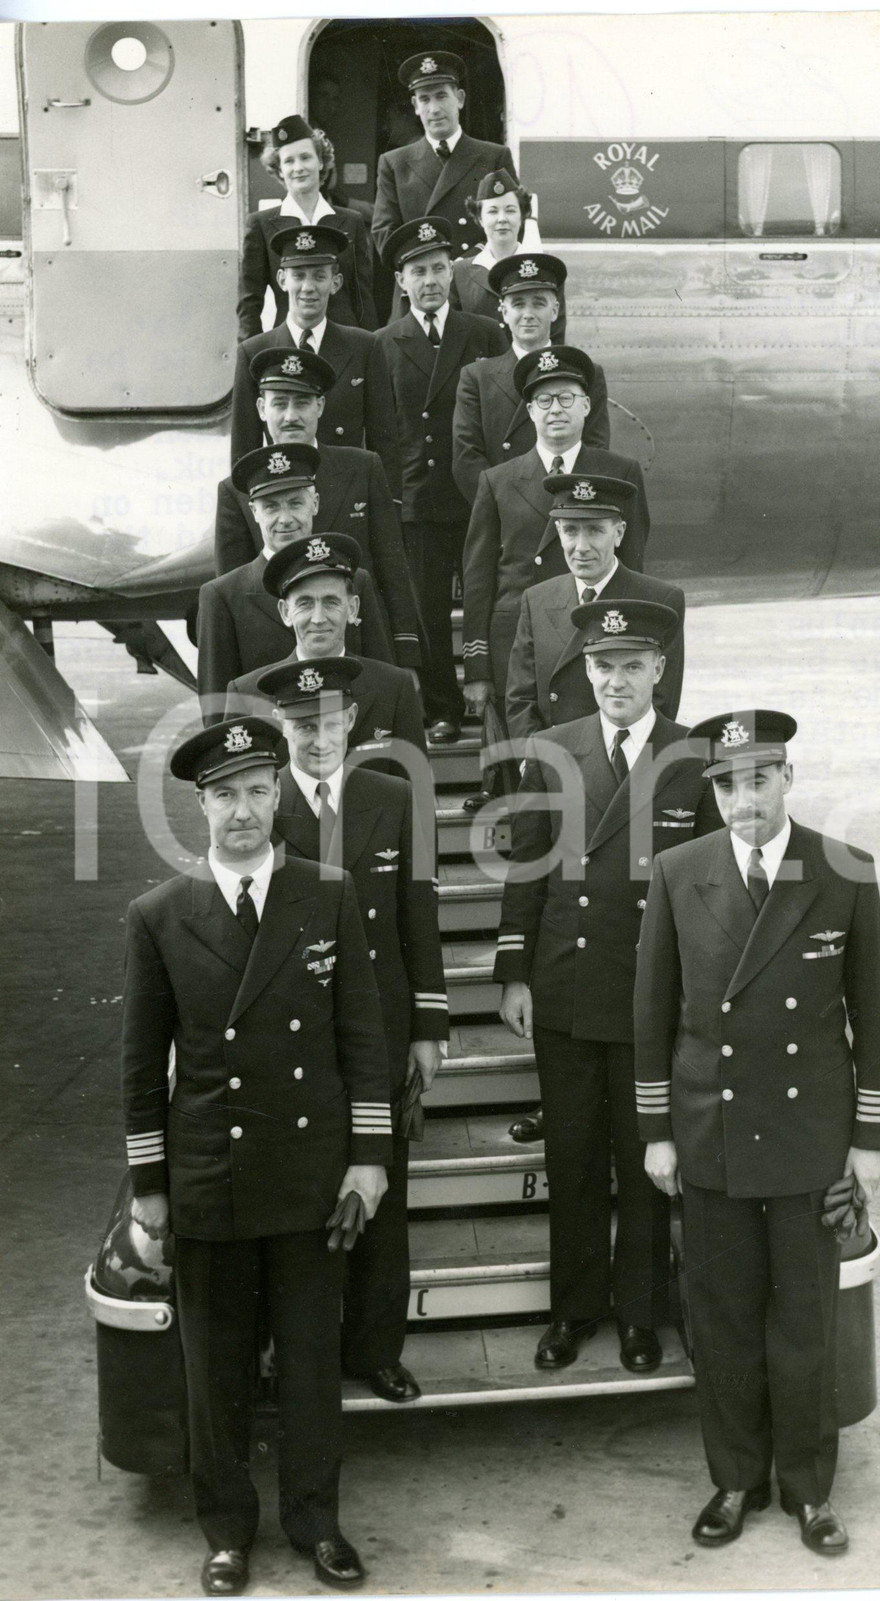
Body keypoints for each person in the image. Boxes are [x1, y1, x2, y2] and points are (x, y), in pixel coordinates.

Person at [121, 715, 392, 1596]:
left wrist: (370, 1156)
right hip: (210, 1173)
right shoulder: (159, 915)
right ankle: (228, 1530)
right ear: (198, 806)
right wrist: (149, 1186)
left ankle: (317, 1523)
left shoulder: (328, 892)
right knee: (218, 1369)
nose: (242, 810)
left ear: (278, 797)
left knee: (312, 1360)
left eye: (255, 791)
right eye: (223, 795)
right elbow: (139, 1063)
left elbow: (362, 1035)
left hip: (310, 1173)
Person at [635, 710, 880, 1557]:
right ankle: (736, 1477)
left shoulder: (841, 867)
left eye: (758, 778)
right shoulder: (679, 870)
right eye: (725, 783)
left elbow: (874, 1010)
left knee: (805, 1318)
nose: (743, 798)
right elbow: (653, 1015)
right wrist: (656, 1131)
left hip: (808, 1136)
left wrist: (872, 1136)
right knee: (723, 1319)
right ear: (710, 791)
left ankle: (809, 1488)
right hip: (710, 1132)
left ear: (788, 777)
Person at [495, 599, 721, 1374]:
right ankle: (574, 1308)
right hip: (565, 985)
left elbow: (708, 886)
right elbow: (526, 870)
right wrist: (514, 972)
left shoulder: (693, 757)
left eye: (631, 665)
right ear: (584, 672)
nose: (616, 679)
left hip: (650, 998)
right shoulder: (551, 750)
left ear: (660, 669)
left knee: (644, 1162)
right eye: (602, 665)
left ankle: (639, 1315)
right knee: (575, 1159)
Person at [257, 655, 448, 1404]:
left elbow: (418, 913)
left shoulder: (395, 796)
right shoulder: (262, 809)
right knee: (306, 1191)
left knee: (383, 1193)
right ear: (282, 729)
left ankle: (377, 1349)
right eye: (300, 725)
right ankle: (300, 1352)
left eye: (327, 722)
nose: (315, 736)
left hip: (383, 1027)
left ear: (352, 724)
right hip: (299, 1032)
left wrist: (428, 1025)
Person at [461, 346, 650, 716]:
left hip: (594, 642)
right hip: (518, 647)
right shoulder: (496, 481)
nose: (556, 409)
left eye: (567, 398)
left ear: (586, 406)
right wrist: (477, 668)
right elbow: (478, 578)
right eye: (544, 400)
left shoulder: (620, 474)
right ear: (530, 411)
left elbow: (633, 568)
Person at [374, 216, 506, 742]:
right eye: (417, 272)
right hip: (418, 499)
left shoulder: (483, 333)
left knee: (486, 604)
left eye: (437, 269)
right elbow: (383, 431)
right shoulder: (383, 343)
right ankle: (442, 708)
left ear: (451, 274)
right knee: (427, 611)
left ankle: (494, 708)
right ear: (402, 282)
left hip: (474, 495)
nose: (429, 280)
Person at [214, 345, 421, 674]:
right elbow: (235, 591)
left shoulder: (362, 467)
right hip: (272, 662)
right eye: (279, 404)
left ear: (321, 406)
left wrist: (406, 650)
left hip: (355, 649)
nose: (291, 416)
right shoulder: (236, 490)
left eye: (303, 402)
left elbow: (391, 565)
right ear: (261, 408)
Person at [198, 446, 394, 724]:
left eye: (296, 503)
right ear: (254, 512)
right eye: (271, 507)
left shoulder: (356, 581)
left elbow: (379, 681)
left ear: (314, 503)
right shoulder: (222, 596)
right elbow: (217, 709)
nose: (285, 519)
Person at [506, 474, 685, 740]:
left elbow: (661, 701)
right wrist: (536, 763)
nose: (581, 547)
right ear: (558, 532)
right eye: (570, 531)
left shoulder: (659, 599)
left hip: (622, 761)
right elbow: (520, 697)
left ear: (619, 533)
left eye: (594, 530)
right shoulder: (537, 599)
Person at [223, 535, 426, 768]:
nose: (318, 619)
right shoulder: (248, 695)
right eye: (305, 604)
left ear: (352, 608)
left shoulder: (393, 688)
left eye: (331, 602)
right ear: (285, 612)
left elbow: (417, 794)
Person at [231, 223, 400, 494]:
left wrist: (387, 509)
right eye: (298, 275)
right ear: (282, 280)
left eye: (319, 276)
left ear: (335, 283)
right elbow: (243, 450)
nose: (308, 287)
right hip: (285, 497)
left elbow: (386, 444)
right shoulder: (254, 353)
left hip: (348, 496)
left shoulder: (365, 347)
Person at [452, 252, 607, 506]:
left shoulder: (589, 374)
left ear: (555, 309)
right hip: (503, 518)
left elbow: (595, 450)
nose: (528, 314)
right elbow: (466, 459)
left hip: (568, 515)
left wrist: (565, 509)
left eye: (538, 303)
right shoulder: (476, 378)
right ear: (503, 311)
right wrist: (509, 510)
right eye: (518, 304)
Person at [372, 51, 517, 318]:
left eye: (441, 96)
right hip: (418, 293)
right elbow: (383, 232)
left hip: (476, 286)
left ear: (459, 99)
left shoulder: (494, 156)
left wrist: (467, 266)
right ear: (415, 105)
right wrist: (425, 265)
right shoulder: (394, 163)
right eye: (425, 99)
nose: (434, 109)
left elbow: (512, 224)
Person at [237, 114, 377, 339]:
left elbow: (363, 297)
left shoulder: (351, 221)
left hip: (346, 345)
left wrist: (370, 350)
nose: (298, 167)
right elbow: (250, 302)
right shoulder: (261, 225)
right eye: (289, 161)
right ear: (279, 169)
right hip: (290, 348)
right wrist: (253, 359)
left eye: (305, 157)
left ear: (321, 161)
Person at [450, 170, 566, 342]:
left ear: (522, 216)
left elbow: (555, 334)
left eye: (510, 210)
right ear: (479, 219)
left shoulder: (545, 268)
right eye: (492, 211)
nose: (502, 219)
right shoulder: (460, 272)